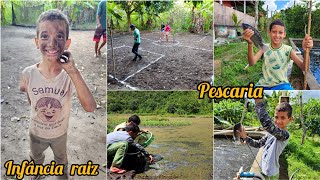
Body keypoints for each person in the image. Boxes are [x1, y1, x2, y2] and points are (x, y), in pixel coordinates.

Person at [19, 9, 96, 180]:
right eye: (45, 36)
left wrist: (73, 71)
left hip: (60, 134)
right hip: (36, 133)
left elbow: (90, 107)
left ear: (67, 43)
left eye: (59, 36)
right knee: (36, 159)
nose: (52, 43)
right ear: (36, 41)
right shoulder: (28, 73)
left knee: (61, 161)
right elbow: (29, 97)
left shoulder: (69, 75)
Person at [243, 19, 313, 90]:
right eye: (274, 32)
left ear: (284, 34)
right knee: (251, 96)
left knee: (290, 95)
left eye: (280, 32)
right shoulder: (264, 48)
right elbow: (251, 63)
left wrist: (306, 51)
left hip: (282, 84)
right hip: (264, 85)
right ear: (269, 33)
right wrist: (250, 44)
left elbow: (304, 68)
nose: (277, 35)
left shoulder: (288, 50)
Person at [237, 98, 293, 179]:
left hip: (271, 173)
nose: (278, 121)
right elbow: (258, 144)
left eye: (283, 118)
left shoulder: (284, 135)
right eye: (276, 117)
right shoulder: (270, 133)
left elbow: (268, 125)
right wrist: (246, 138)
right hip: (263, 168)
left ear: (290, 119)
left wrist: (258, 102)